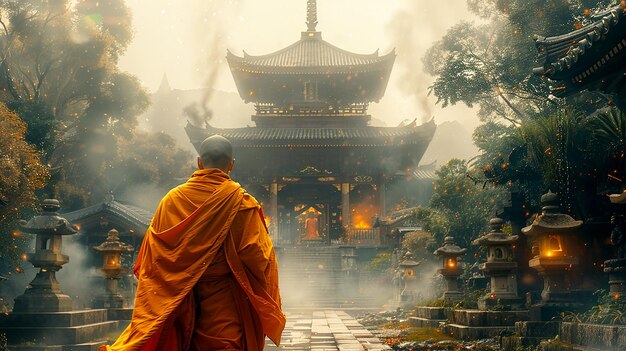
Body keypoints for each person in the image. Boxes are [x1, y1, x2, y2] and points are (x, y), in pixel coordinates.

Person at [100, 135, 285, 351]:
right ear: (231, 165)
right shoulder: (242, 203)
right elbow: (257, 257)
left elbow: (154, 257)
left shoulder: (172, 200)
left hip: (178, 300)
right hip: (224, 307)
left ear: (199, 162)